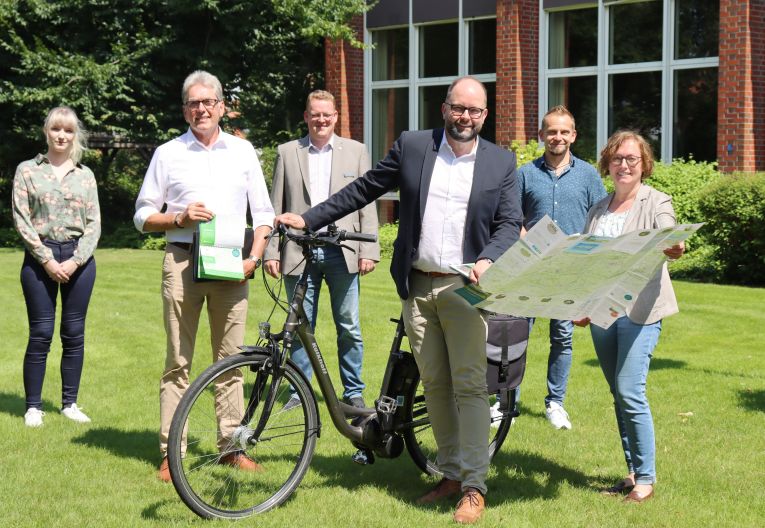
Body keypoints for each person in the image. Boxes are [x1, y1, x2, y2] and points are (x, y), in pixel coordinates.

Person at [275, 76, 522, 524]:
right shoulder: (413, 145)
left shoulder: (501, 162)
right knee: (435, 385)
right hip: (418, 286)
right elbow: (364, 188)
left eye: (475, 110)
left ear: (485, 115)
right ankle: (449, 473)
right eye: (458, 108)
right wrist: (309, 217)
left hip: (467, 287)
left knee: (469, 386)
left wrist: (488, 258)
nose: (465, 117)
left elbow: (509, 224)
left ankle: (473, 486)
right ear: (444, 107)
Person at [133, 70, 275, 482]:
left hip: (233, 264)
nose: (201, 109)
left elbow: (263, 213)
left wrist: (255, 256)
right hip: (182, 261)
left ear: (221, 106)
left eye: (208, 102)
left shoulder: (243, 151)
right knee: (178, 361)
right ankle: (170, 453)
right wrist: (177, 217)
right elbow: (142, 215)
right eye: (193, 104)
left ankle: (230, 447)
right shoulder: (167, 153)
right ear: (185, 110)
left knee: (230, 361)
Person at [574, 130, 685, 503]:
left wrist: (674, 244)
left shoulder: (656, 201)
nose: (624, 165)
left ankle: (647, 480)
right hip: (602, 312)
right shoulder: (598, 210)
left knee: (629, 390)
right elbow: (586, 264)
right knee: (617, 392)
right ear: (608, 163)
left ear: (644, 165)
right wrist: (582, 306)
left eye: (631, 159)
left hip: (640, 310)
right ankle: (633, 471)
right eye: (618, 158)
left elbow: (671, 235)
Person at [264, 90, 379, 409]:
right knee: (301, 326)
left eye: (327, 114)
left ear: (336, 116)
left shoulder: (356, 151)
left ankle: (353, 391)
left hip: (343, 249)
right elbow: (276, 205)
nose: (321, 119)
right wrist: (272, 250)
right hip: (299, 250)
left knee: (349, 325)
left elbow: (367, 202)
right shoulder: (287, 152)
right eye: (315, 114)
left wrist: (369, 249)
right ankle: (298, 393)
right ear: (306, 116)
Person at [513, 106, 606, 430]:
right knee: (516, 336)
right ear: (542, 135)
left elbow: (600, 219)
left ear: (573, 136)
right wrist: (529, 241)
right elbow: (511, 217)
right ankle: (506, 401)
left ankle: (555, 403)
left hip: (569, 269)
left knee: (562, 338)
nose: (558, 137)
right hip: (530, 268)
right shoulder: (525, 173)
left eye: (564, 132)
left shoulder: (588, 175)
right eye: (552, 131)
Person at [12, 106, 101, 427]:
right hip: (39, 260)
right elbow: (22, 219)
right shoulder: (27, 171)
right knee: (41, 332)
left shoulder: (86, 175)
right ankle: (33, 406)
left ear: (74, 135)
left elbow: (94, 224)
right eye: (56, 129)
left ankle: (69, 404)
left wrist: (75, 261)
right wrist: (47, 260)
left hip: (80, 260)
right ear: (46, 132)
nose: (61, 136)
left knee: (74, 333)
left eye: (68, 131)